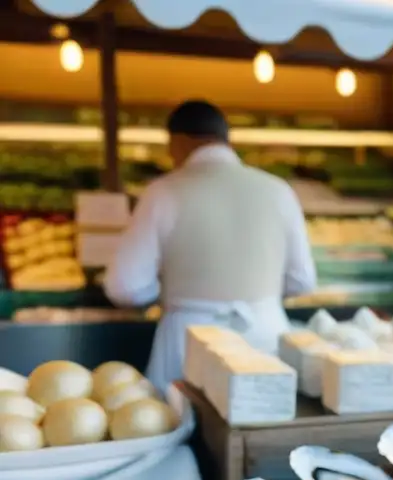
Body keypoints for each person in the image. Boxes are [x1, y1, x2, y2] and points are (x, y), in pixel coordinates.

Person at [104, 100, 317, 394]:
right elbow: (303, 280)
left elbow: (125, 286)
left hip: (189, 340)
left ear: (177, 141)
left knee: (191, 432)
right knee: (265, 427)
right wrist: (256, 294)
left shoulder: (163, 192)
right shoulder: (278, 190)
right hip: (265, 338)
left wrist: (171, 293)